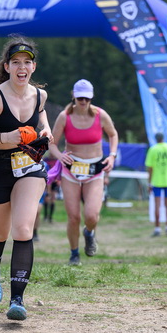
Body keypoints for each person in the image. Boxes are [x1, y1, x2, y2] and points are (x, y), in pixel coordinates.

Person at [0, 35, 52, 321]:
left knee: (23, 229)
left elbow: (41, 115)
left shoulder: (39, 96)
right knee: (0, 232)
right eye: (16, 62)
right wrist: (7, 137)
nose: (22, 67)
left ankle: (17, 300)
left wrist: (46, 130)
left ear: (34, 67)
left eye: (27, 62)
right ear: (7, 67)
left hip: (28, 166)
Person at [48, 79, 118, 266]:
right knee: (74, 217)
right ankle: (74, 254)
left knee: (91, 215)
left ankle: (89, 232)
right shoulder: (64, 117)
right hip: (71, 170)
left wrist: (112, 156)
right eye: (80, 98)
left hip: (95, 170)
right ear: (74, 96)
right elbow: (52, 143)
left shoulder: (101, 115)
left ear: (91, 98)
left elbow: (113, 134)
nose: (83, 102)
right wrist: (59, 156)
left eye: (87, 98)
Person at [144, 132, 167, 237]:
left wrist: (149, 183)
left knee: (157, 205)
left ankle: (157, 228)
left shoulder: (153, 150)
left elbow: (150, 168)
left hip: (157, 181)